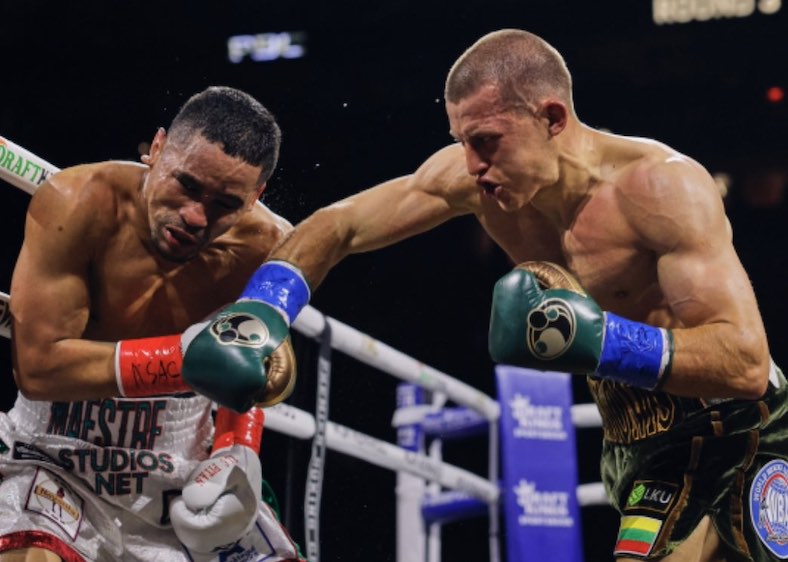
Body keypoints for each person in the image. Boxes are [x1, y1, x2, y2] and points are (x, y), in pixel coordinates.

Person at [186, 30, 788, 561]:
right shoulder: (478, 182)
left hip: (736, 428)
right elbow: (340, 224)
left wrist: (601, 340)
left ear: (552, 118)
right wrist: (262, 309)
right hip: (635, 439)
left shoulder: (659, 188)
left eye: (487, 140)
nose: (470, 164)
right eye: (461, 140)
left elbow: (745, 363)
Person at [0, 86, 304, 561]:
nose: (196, 216)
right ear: (156, 149)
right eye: (186, 184)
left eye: (226, 203)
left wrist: (235, 450)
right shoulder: (80, 202)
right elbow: (37, 369)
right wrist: (188, 360)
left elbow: (256, 366)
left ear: (256, 196)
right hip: (54, 454)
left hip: (182, 471)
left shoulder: (268, 247)